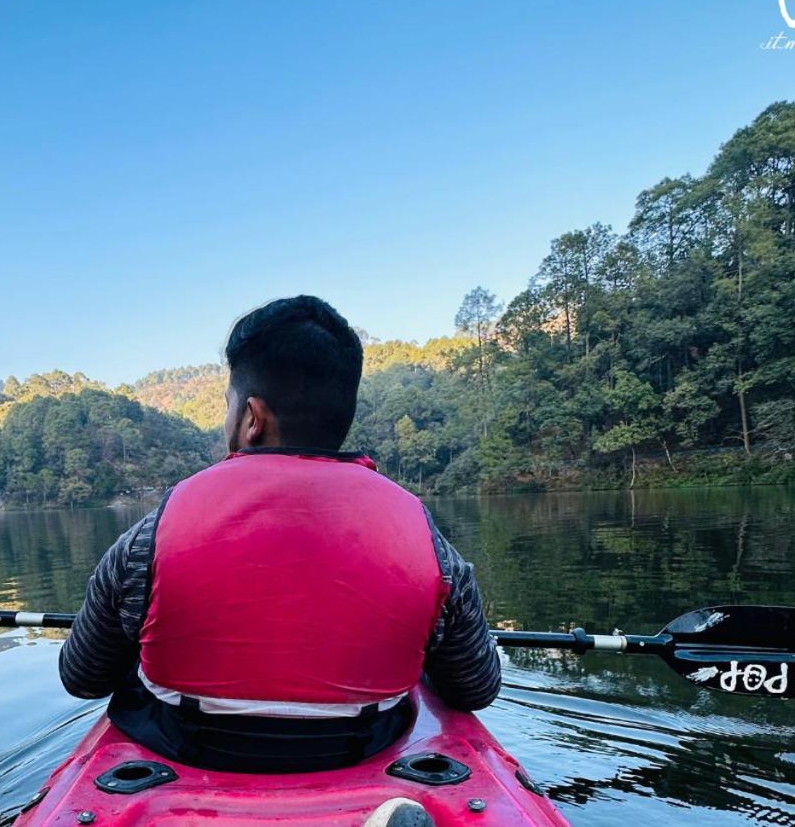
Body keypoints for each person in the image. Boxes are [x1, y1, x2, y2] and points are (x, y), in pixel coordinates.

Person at [59, 295, 501, 773]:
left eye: (228, 406)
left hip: (186, 747)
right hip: (362, 747)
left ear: (252, 418)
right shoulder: (426, 538)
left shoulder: (152, 532)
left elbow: (82, 676)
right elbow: (476, 687)